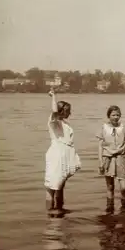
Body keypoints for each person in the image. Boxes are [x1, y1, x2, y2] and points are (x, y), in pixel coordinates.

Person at [45, 89, 81, 217]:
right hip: (57, 155)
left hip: (64, 154)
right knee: (54, 185)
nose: (70, 113)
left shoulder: (64, 123)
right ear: (61, 111)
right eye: (67, 111)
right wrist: (53, 96)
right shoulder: (54, 121)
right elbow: (54, 111)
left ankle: (57, 210)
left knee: (58, 184)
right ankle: (55, 212)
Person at [97, 105, 125, 213]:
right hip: (108, 158)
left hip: (121, 157)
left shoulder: (122, 127)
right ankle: (110, 210)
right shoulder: (104, 127)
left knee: (123, 187)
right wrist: (100, 161)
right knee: (110, 186)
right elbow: (100, 145)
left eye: (117, 115)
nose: (115, 117)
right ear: (109, 116)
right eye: (113, 115)